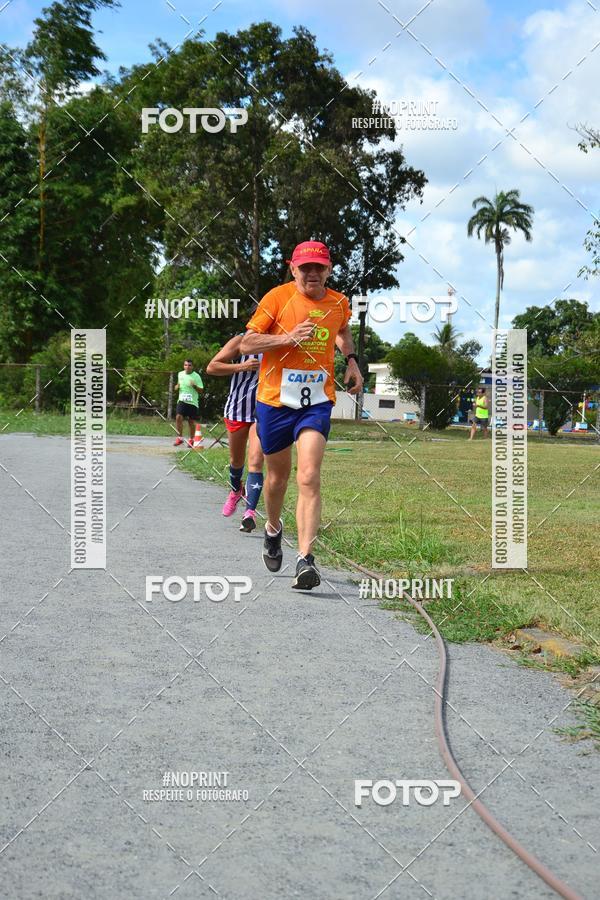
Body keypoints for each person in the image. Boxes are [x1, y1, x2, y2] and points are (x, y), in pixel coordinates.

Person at [239, 240, 363, 590]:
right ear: (292, 269)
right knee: (277, 479)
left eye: (318, 267)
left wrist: (351, 362)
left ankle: (306, 558)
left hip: (316, 401)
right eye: (305, 267)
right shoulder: (276, 299)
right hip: (275, 401)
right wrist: (287, 340)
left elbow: (342, 331)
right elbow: (248, 343)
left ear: (328, 269)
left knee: (308, 475)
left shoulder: (338, 302)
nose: (312, 273)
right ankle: (273, 528)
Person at [206, 336, 264, 532]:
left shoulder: (279, 342)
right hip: (237, 409)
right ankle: (236, 491)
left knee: (256, 461)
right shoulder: (241, 341)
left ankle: (249, 513)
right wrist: (242, 367)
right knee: (236, 461)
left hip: (264, 410)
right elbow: (212, 367)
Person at [173, 359, 204, 446]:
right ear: (184, 366)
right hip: (182, 400)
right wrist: (176, 387)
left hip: (192, 402)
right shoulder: (180, 374)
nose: (187, 367)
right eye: (186, 365)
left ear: (192, 367)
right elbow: (178, 384)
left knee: (191, 421)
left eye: (189, 365)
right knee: (178, 417)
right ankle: (180, 438)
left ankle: (192, 439)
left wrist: (194, 385)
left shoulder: (196, 376)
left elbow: (201, 390)